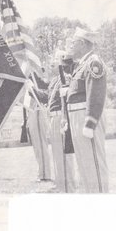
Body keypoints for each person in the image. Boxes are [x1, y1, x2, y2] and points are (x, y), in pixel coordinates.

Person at [61, 27, 108, 193]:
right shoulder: (81, 65)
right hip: (76, 117)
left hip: (86, 118)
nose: (71, 46)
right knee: (84, 163)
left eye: (74, 43)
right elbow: (66, 64)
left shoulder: (93, 63)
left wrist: (90, 122)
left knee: (94, 163)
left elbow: (96, 94)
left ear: (82, 43)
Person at [33, 50, 77, 192]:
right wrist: (31, 89)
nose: (51, 63)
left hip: (60, 117)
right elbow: (46, 97)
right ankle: (61, 184)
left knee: (64, 156)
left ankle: (68, 186)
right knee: (57, 155)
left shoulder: (67, 78)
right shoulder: (55, 80)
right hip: (53, 118)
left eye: (55, 60)